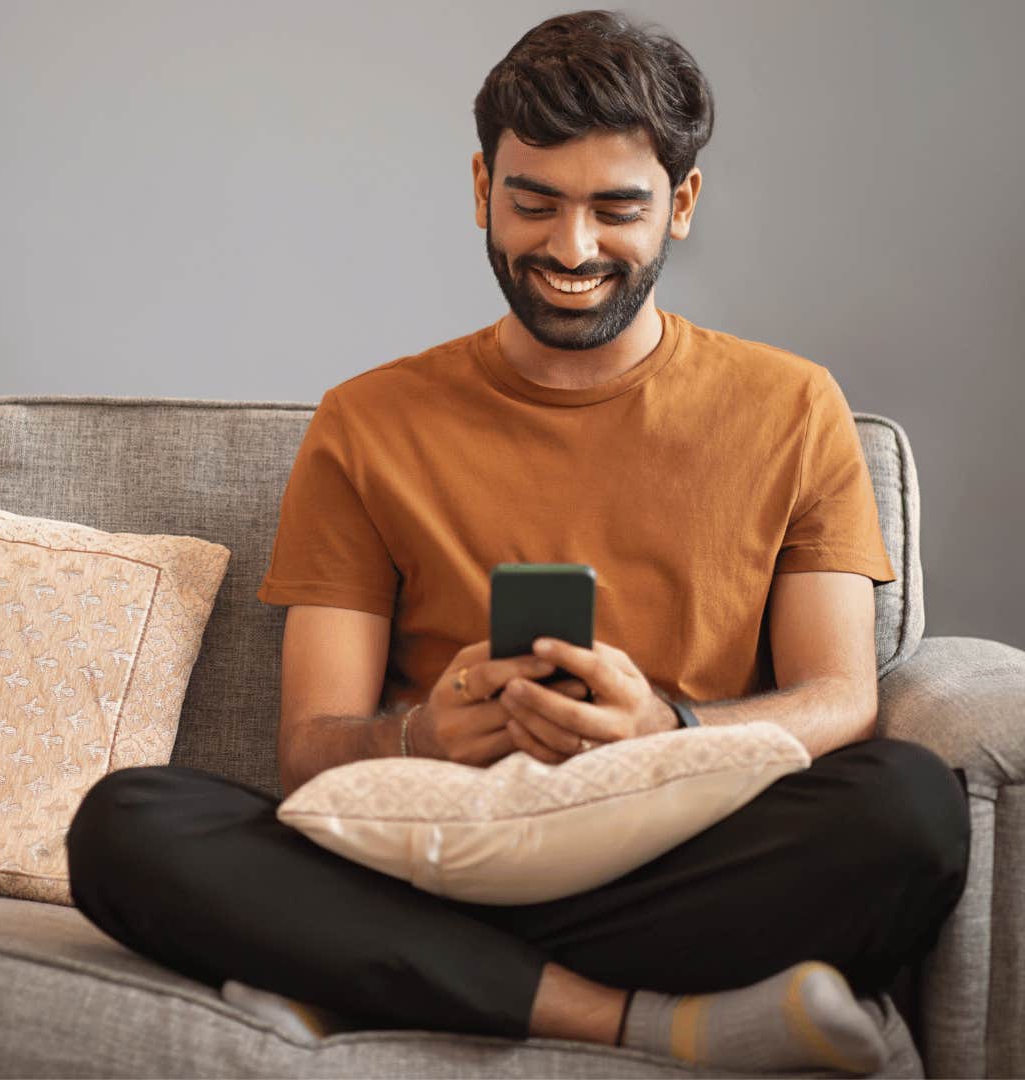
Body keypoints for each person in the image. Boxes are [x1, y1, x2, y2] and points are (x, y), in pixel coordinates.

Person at [68, 9, 968, 1073]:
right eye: (534, 203)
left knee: (911, 809)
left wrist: (668, 729)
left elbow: (840, 699)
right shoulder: (368, 421)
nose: (570, 248)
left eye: (614, 210)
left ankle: (369, 970)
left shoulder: (793, 406)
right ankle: (637, 1021)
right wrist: (420, 739)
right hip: (430, 848)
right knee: (126, 824)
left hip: (674, 849)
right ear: (483, 191)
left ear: (680, 206)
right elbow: (310, 751)